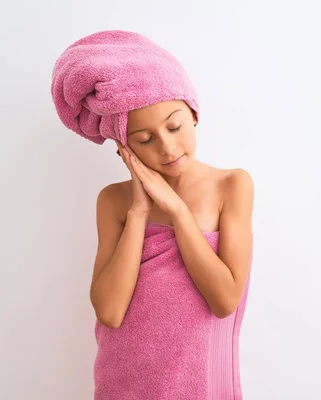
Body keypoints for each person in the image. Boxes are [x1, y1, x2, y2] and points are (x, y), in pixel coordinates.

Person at [51, 30, 253, 399]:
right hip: (125, 376)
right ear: (124, 147)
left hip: (199, 380)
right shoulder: (114, 202)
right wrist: (141, 210)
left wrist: (176, 211)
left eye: (174, 126)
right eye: (145, 139)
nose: (168, 147)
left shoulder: (232, 186)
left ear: (193, 114)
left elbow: (225, 300)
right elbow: (110, 312)